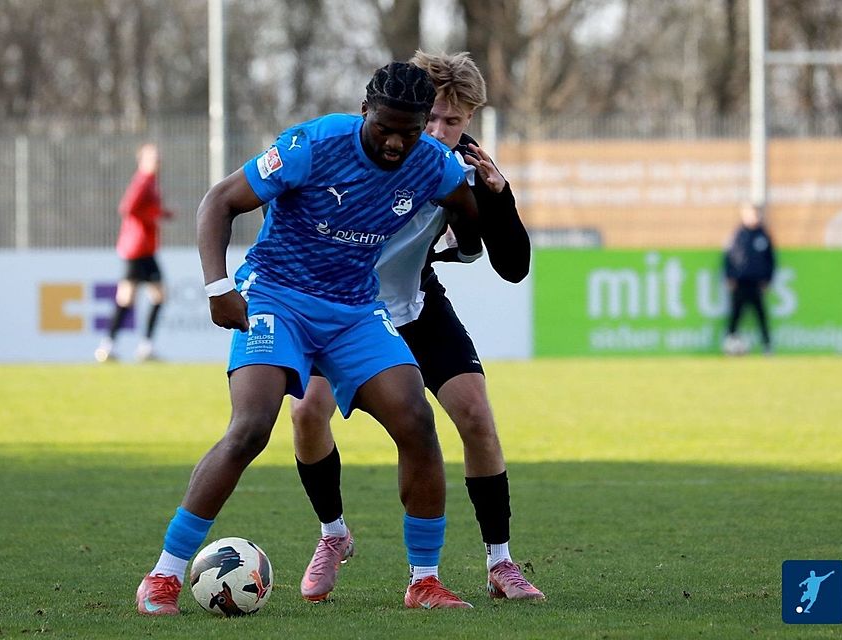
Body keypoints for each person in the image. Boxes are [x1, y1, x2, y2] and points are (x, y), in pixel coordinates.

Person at [135, 62, 484, 616]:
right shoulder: (312, 145)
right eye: (385, 128)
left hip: (355, 309)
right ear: (365, 111)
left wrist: (465, 244)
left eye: (410, 132)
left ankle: (424, 581)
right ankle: (162, 576)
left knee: (417, 421)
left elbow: (465, 206)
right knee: (251, 428)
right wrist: (219, 288)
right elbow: (219, 201)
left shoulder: (432, 162)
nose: (396, 143)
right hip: (278, 296)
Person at [291, 50, 544, 604]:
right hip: (343, 308)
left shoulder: (466, 171)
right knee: (307, 412)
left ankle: (500, 562)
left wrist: (500, 198)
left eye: (451, 121)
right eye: (429, 118)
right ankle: (333, 533)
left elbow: (513, 266)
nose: (436, 131)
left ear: (470, 120)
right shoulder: (370, 148)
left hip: (415, 306)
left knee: (476, 415)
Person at [95, 143, 173, 363]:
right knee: (130, 298)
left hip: (143, 249)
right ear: (142, 160)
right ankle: (113, 346)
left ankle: (128, 346)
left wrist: (162, 213)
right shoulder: (143, 181)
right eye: (152, 157)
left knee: (152, 296)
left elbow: (145, 209)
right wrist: (153, 216)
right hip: (138, 249)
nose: (157, 161)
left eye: (158, 157)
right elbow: (127, 208)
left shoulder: (151, 182)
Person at [722, 202, 775, 355]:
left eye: (755, 214)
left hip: (756, 283)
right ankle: (729, 344)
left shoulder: (763, 235)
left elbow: (771, 260)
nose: (753, 217)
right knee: (735, 315)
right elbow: (729, 257)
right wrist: (729, 276)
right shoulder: (738, 234)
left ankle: (767, 346)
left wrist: (768, 278)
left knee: (761, 315)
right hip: (740, 282)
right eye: (750, 214)